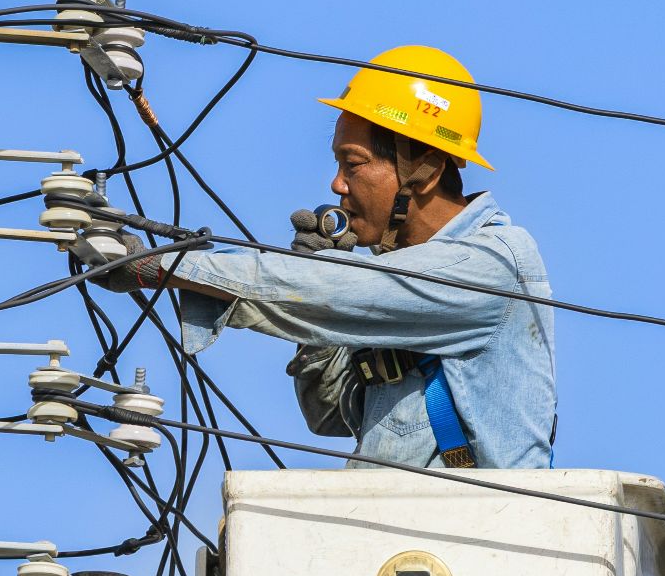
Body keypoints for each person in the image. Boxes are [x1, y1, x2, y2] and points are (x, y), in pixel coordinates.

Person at [86, 45, 556, 470]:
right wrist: (320, 323)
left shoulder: (492, 263)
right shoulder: (392, 284)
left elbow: (332, 292)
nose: (337, 184)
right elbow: (328, 413)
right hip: (392, 537)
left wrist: (163, 267)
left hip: (479, 546)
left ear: (425, 170)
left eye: (352, 164)